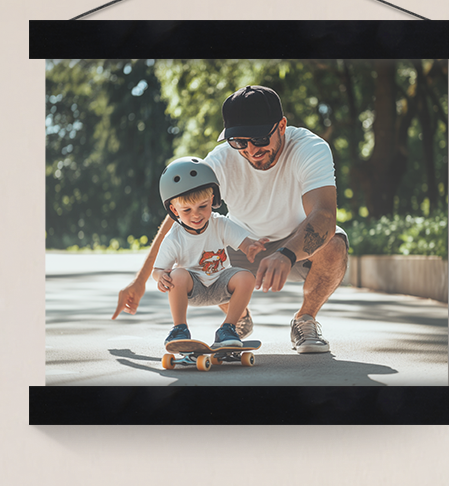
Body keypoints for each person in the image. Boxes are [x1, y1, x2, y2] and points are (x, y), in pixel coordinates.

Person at [112, 84, 345, 354]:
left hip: (296, 246)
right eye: (239, 142)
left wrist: (286, 253)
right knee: (195, 247)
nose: (250, 150)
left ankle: (305, 319)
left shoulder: (309, 148)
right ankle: (237, 320)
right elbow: (179, 218)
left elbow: (324, 215)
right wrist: (140, 280)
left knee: (335, 245)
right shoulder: (221, 160)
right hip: (241, 245)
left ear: (281, 126)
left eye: (259, 138)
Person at [149, 157, 260, 354]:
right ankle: (179, 329)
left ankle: (228, 329)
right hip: (193, 288)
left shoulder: (220, 224)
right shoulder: (174, 237)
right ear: (174, 210)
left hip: (221, 284)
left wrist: (251, 247)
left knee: (246, 277)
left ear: (212, 200)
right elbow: (157, 270)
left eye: (203, 206)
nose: (196, 215)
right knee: (178, 274)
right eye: (186, 210)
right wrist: (161, 278)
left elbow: (244, 242)